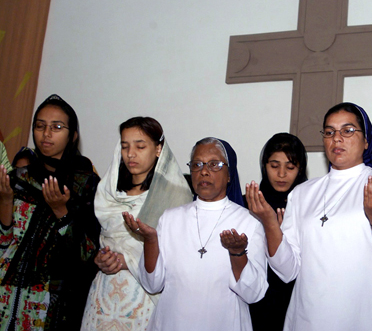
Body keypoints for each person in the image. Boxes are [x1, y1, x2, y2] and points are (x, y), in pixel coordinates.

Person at [248, 102, 372, 331]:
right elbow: (288, 271)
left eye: (347, 131)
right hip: (311, 317)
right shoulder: (302, 194)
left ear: (366, 141)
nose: (337, 138)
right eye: (329, 132)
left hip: (369, 315)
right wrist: (270, 224)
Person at [123, 137, 268, 331]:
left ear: (229, 174)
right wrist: (150, 241)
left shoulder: (249, 222)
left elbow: (254, 294)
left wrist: (237, 254)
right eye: (197, 164)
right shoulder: (170, 218)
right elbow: (152, 285)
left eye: (214, 164)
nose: (204, 171)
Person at [81, 117, 193, 330]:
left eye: (140, 146)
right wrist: (101, 257)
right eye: (125, 146)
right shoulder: (108, 192)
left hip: (145, 296)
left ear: (158, 149)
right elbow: (97, 240)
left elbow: (179, 256)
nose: (131, 154)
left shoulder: (175, 195)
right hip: (104, 291)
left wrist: (127, 261)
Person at [0, 94, 101, 330]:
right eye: (40, 126)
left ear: (72, 135)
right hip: (6, 292)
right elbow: (4, 243)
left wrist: (61, 212)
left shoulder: (85, 185)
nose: (46, 134)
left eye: (56, 127)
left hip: (50, 301)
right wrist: (5, 202)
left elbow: (88, 255)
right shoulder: (18, 178)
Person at [247, 133, 308, 331]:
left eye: (290, 167)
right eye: (274, 166)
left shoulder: (309, 207)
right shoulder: (249, 204)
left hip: (296, 300)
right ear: (264, 166)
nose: (281, 174)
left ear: (300, 170)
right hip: (255, 301)